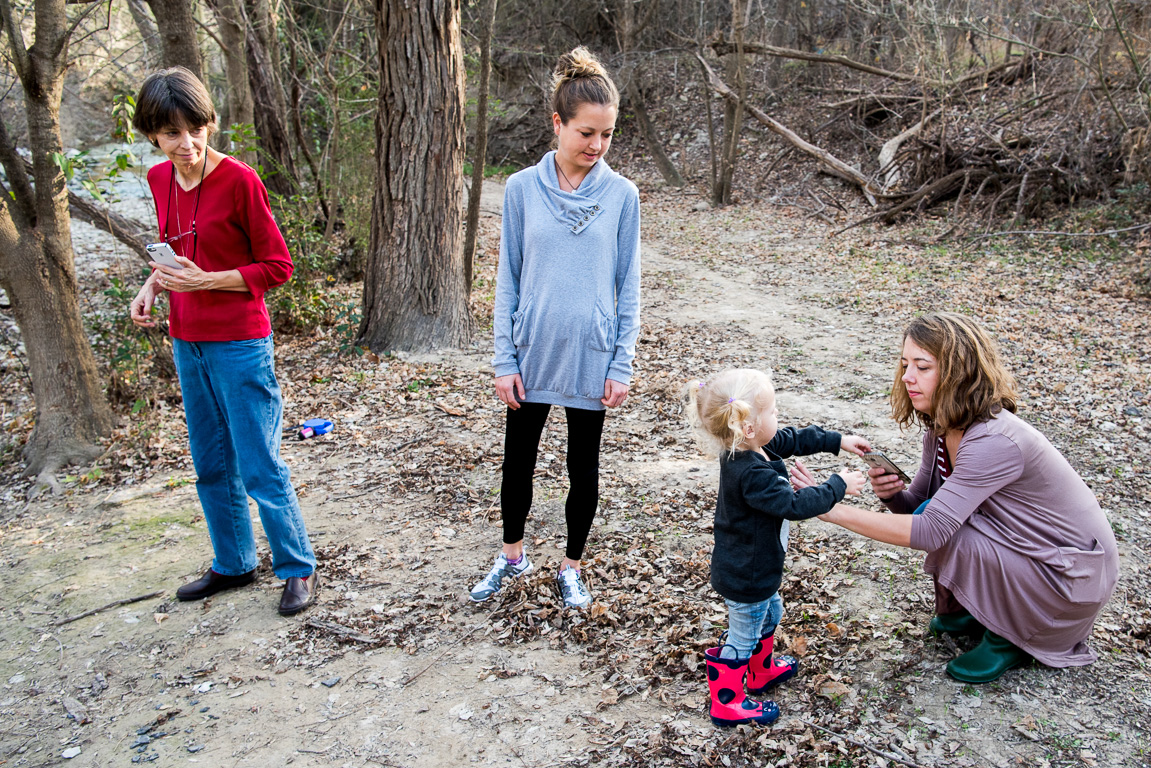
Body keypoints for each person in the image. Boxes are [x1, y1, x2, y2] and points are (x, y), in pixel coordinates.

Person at [817, 312, 1119, 683]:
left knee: (949, 527)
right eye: (905, 364)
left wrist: (830, 509)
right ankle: (978, 611)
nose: (908, 377)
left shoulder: (993, 439)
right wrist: (892, 496)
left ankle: (1011, 638)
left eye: (923, 366)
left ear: (959, 373)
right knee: (940, 513)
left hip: (1066, 584)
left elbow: (929, 530)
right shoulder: (942, 429)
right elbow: (918, 509)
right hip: (1034, 557)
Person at [128, 67, 318, 616]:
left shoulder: (240, 181)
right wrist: (150, 286)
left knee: (258, 462)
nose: (185, 145)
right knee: (210, 461)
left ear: (209, 123)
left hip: (239, 340)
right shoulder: (159, 178)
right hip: (187, 338)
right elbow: (170, 248)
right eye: (171, 134)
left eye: (195, 130)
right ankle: (233, 563)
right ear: (153, 136)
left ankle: (296, 567)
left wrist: (209, 281)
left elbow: (277, 267)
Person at [470, 47, 641, 610]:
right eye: (586, 132)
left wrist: (621, 362)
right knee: (517, 461)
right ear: (558, 124)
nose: (596, 145)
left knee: (581, 467)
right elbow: (508, 280)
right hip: (532, 354)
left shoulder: (621, 196)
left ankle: (571, 565)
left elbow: (628, 285)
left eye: (607, 135)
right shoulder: (520, 189)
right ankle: (512, 556)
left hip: (591, 356)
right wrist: (503, 359)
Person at [688, 369, 869, 727]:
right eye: (772, 412)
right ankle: (727, 701)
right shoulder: (751, 471)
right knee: (745, 633)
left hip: (755, 569)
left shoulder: (753, 446)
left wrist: (838, 440)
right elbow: (794, 505)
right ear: (749, 427)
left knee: (771, 614)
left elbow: (792, 438)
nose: (778, 419)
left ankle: (761, 672)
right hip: (747, 575)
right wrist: (838, 485)